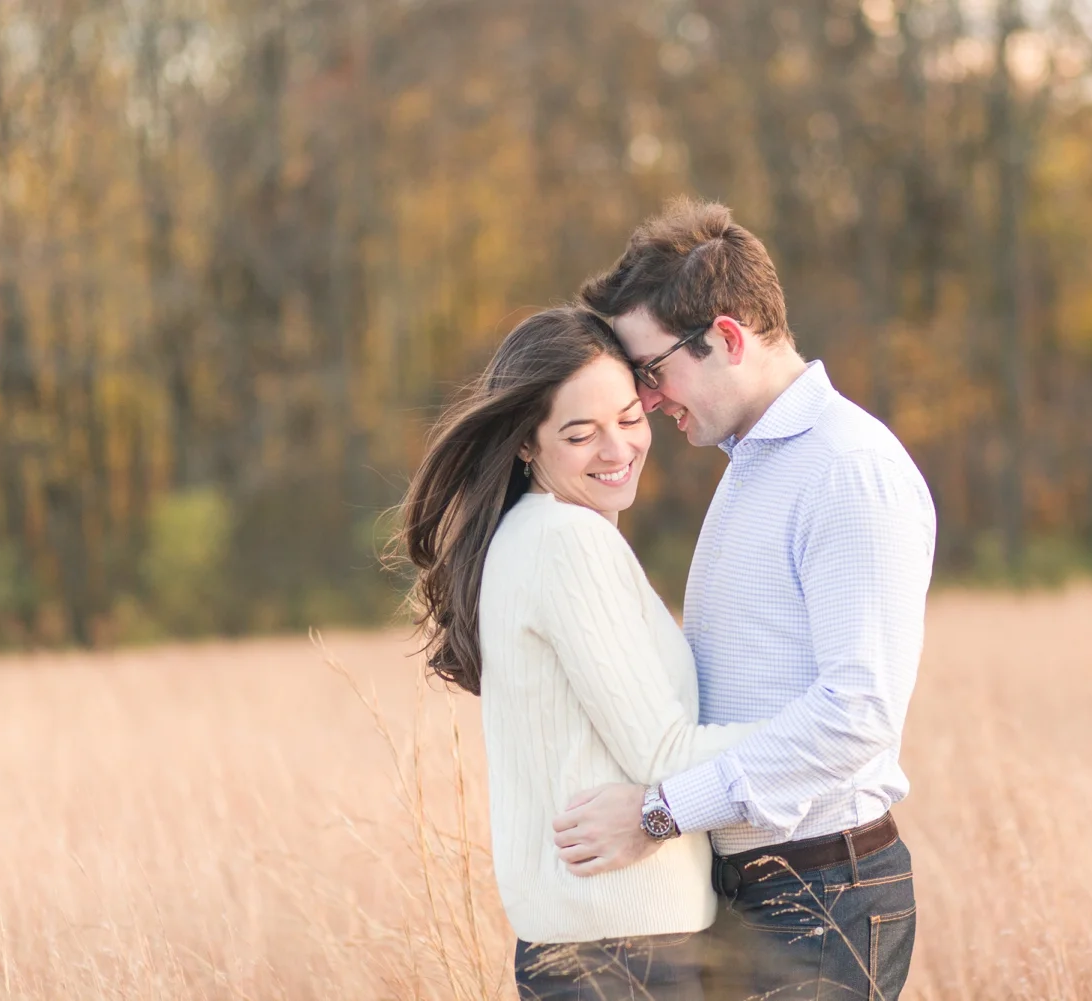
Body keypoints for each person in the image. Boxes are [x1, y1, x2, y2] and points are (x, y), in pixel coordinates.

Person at [552, 200, 937, 1000]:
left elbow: (859, 712)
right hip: (762, 887)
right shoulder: (754, 465)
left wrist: (659, 812)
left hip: (823, 893)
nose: (648, 399)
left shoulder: (848, 470)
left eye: (651, 371)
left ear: (726, 337)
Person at [397, 306, 759, 1000]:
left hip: (598, 947)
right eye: (580, 433)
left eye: (629, 417)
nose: (617, 448)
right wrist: (817, 739)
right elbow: (661, 751)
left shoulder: (533, 534)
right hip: (624, 954)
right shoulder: (567, 542)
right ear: (527, 445)